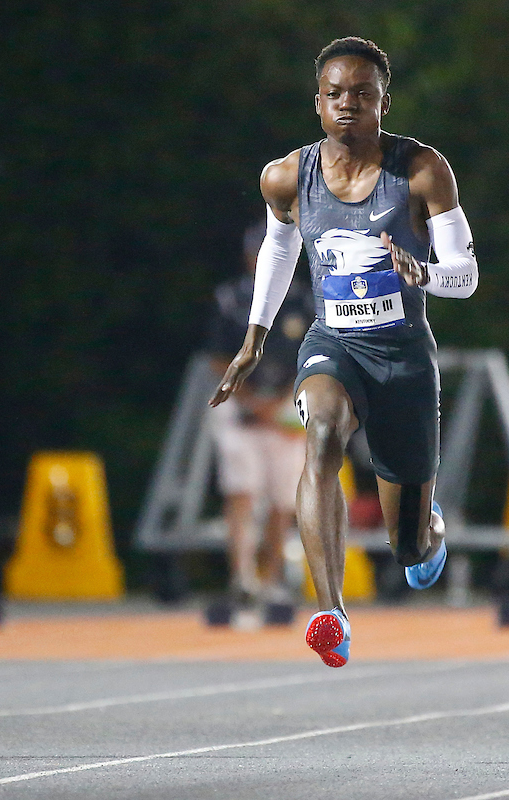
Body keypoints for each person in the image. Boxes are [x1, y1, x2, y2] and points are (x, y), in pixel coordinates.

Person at [210, 37, 478, 667]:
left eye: (362, 93)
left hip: (403, 355)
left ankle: (428, 529)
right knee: (323, 431)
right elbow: (279, 251)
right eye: (335, 95)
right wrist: (254, 338)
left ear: (385, 101)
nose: (348, 105)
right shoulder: (286, 176)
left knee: (407, 547)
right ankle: (329, 610)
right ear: (318, 104)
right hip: (334, 343)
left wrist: (425, 275)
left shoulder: (422, 171)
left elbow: (466, 275)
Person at [206, 222, 315, 606]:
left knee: (283, 500)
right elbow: (218, 357)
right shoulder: (231, 299)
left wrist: (279, 402)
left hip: (285, 405)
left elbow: (312, 355)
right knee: (242, 491)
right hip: (239, 403)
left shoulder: (304, 300)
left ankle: (269, 579)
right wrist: (252, 401)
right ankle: (243, 577)